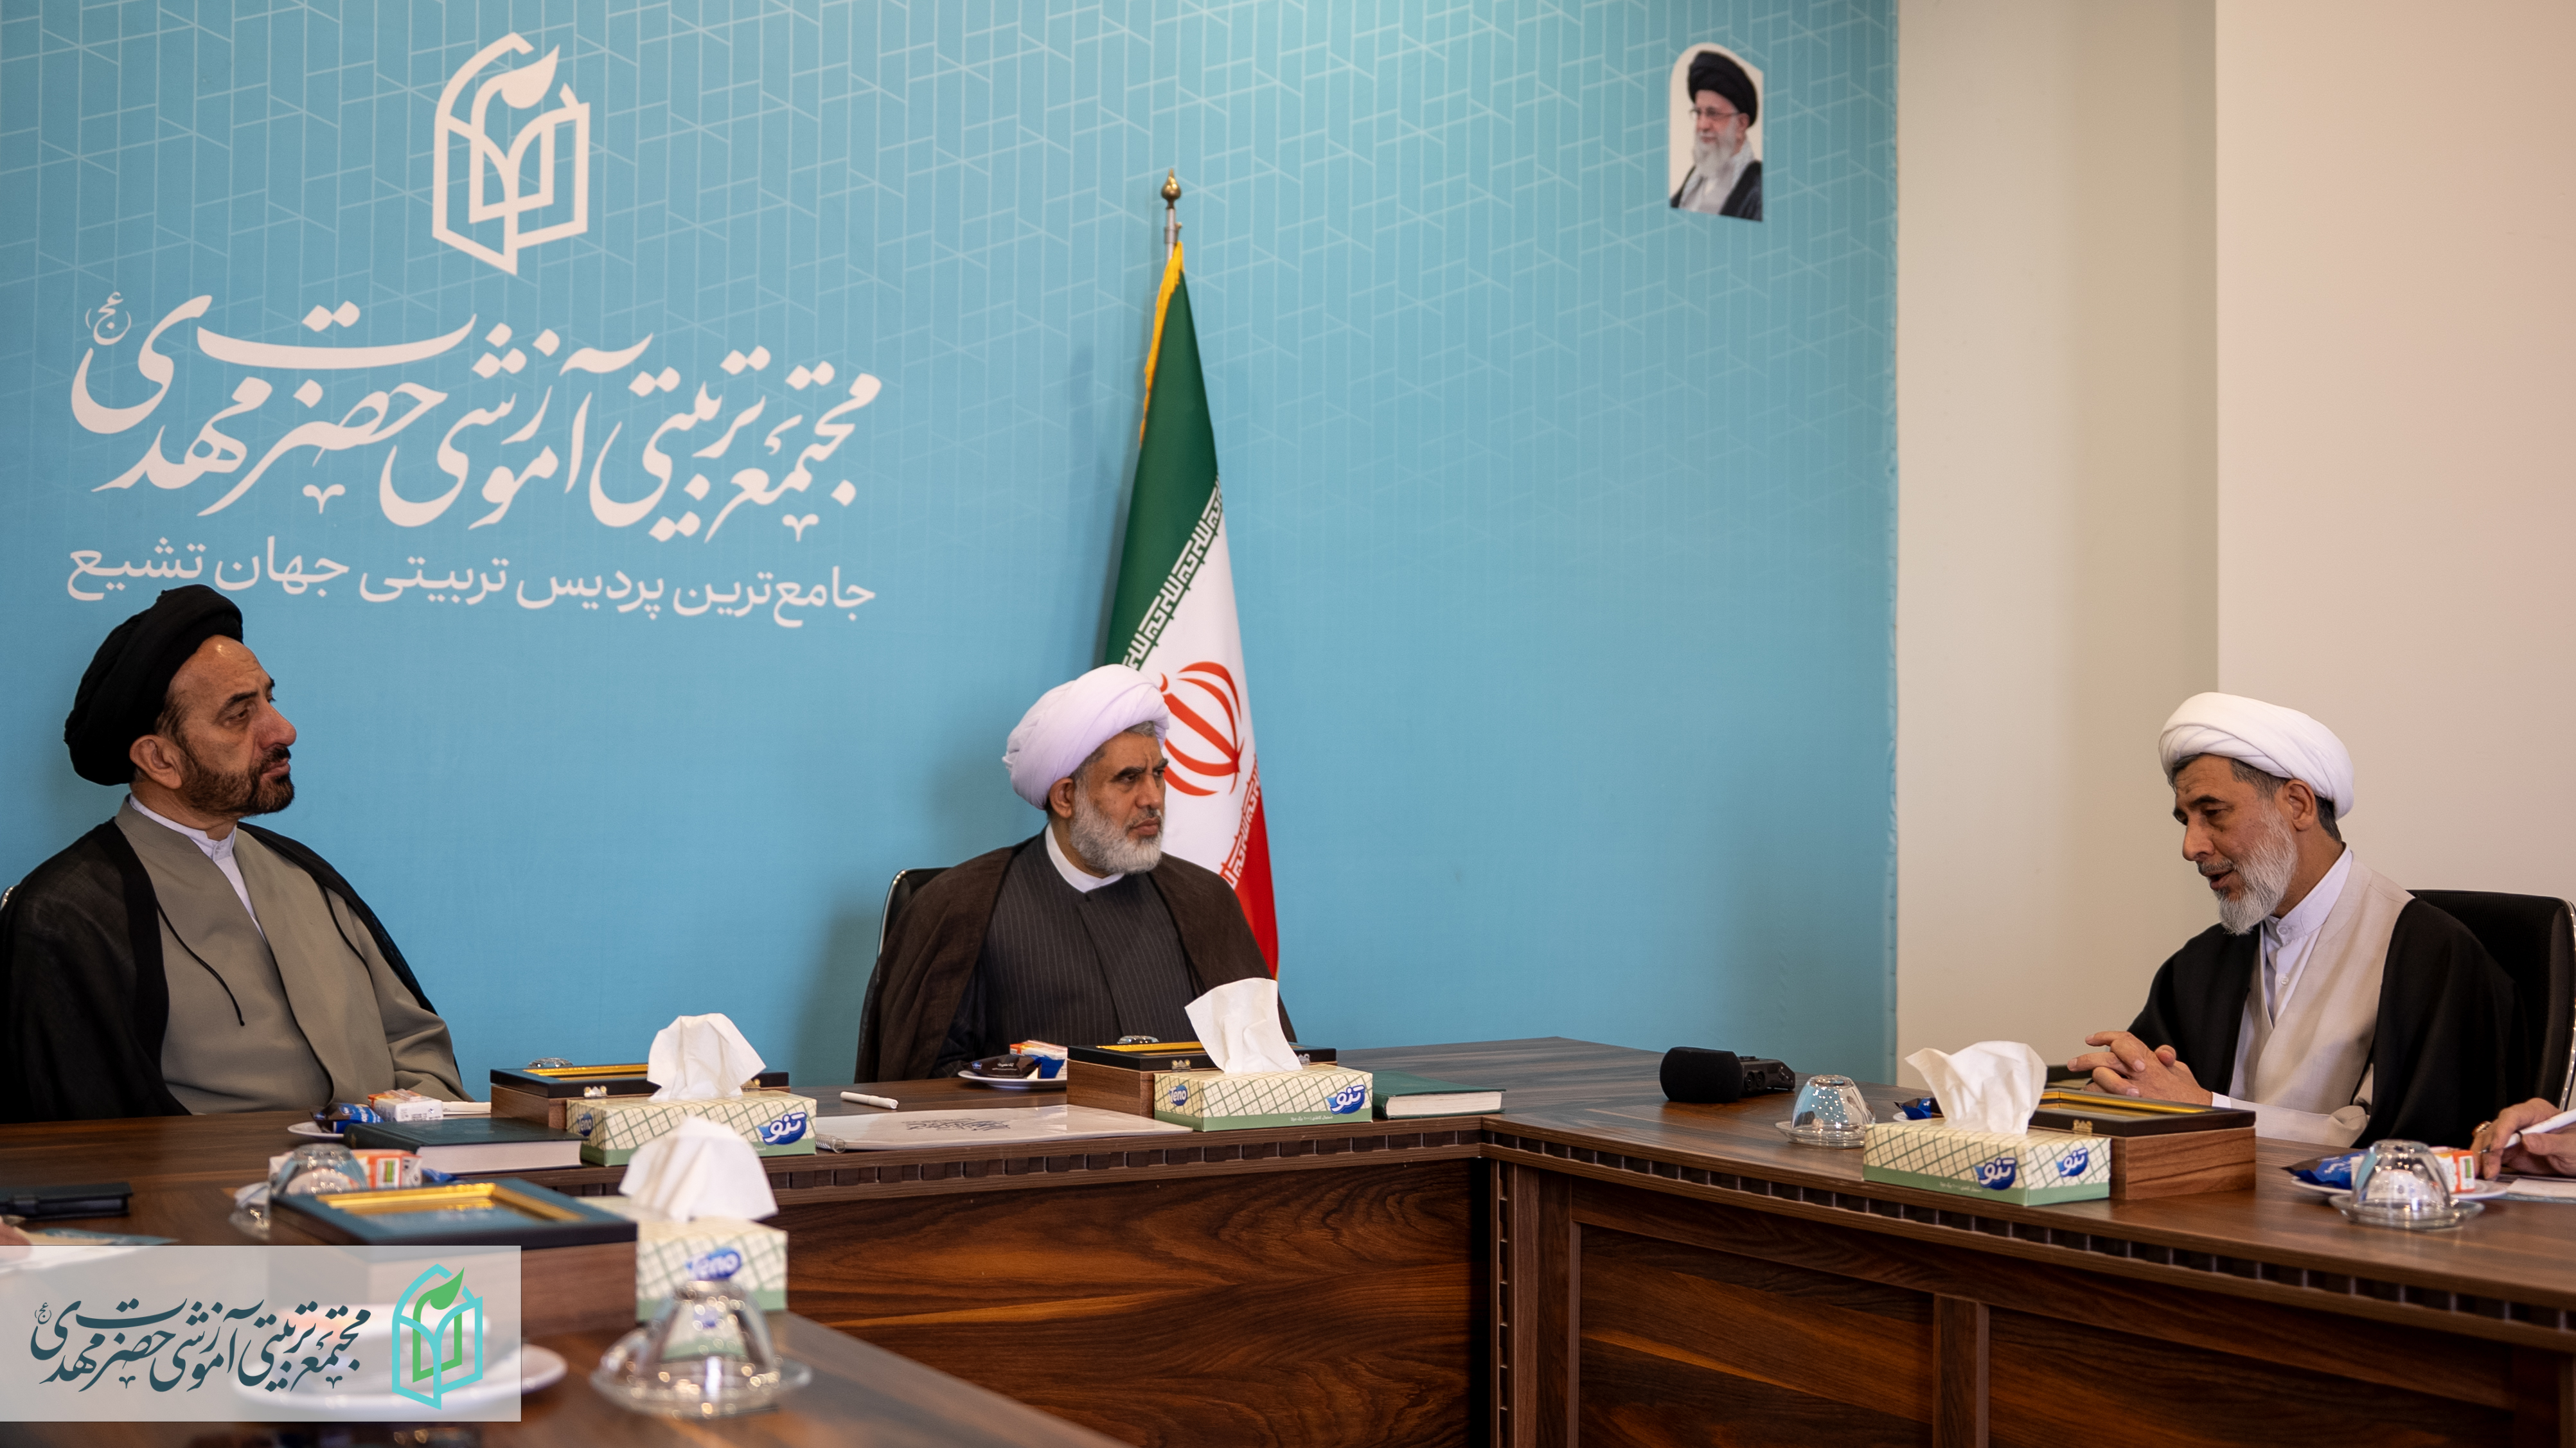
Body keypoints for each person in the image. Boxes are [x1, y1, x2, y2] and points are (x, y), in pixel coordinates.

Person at [0, 587, 462, 1122]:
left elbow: (413, 1041)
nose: (284, 730)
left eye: (269, 699)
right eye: (240, 715)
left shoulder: (302, 873)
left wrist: (403, 1137)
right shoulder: (70, 914)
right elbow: (91, 1131)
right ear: (160, 760)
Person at [2069, 693, 2516, 1147]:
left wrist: (2206, 1109)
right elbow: (2148, 1097)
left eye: (2213, 813)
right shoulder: (2201, 964)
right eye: (2185, 820)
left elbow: (2410, 1149)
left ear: (2298, 804)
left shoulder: (2430, 954)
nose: (2192, 847)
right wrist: (2116, 1093)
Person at [853, 665, 1285, 1081]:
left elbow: (1265, 1067)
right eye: (1128, 779)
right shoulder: (961, 906)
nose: (1152, 798)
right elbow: (928, 1084)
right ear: (1065, 797)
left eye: (1158, 774)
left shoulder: (1203, 900)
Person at [1670, 49, 1763, 220]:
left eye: (1713, 114)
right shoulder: (1696, 177)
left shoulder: (1760, 188)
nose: (1702, 125)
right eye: (1698, 113)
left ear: (1741, 124)